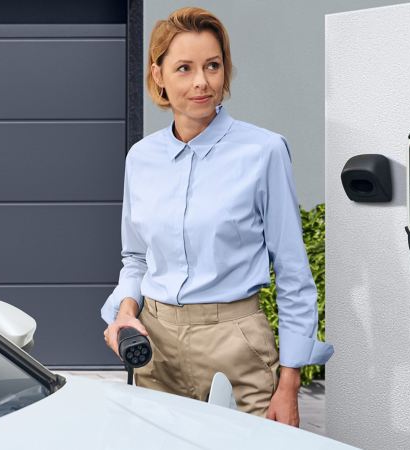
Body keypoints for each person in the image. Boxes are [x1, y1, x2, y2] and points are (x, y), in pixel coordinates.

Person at [101, 6, 333, 426]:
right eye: (184, 68)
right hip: (156, 346)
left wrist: (289, 382)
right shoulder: (141, 159)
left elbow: (294, 271)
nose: (201, 82)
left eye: (213, 65)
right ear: (159, 76)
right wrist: (124, 312)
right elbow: (135, 259)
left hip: (236, 343)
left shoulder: (263, 152)